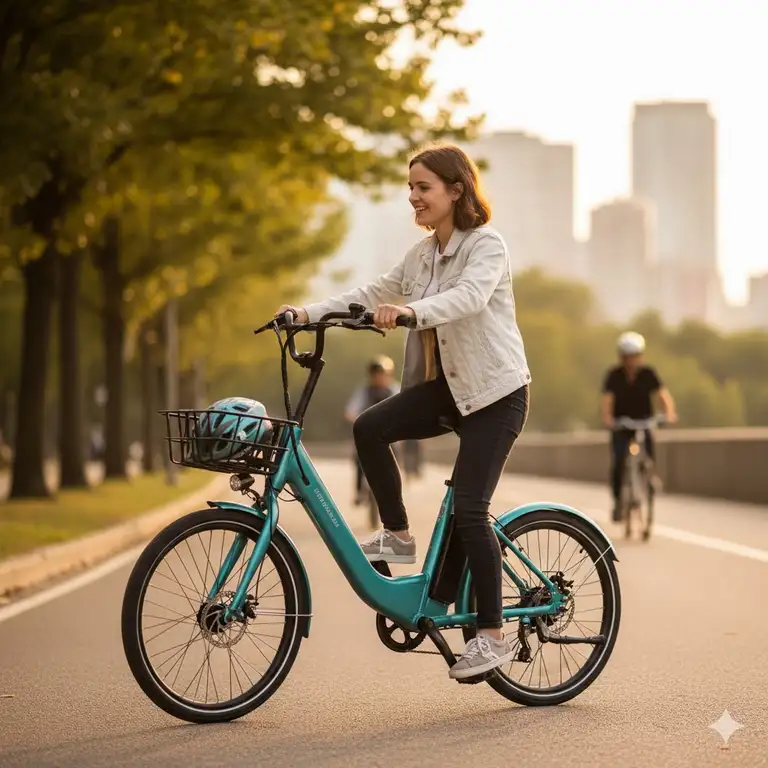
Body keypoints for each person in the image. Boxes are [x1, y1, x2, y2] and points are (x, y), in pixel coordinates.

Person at [275, 142, 531, 681]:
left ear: (456, 190)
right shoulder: (420, 257)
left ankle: (491, 635)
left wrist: (411, 311)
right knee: (371, 426)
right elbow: (370, 292)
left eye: (423, 187)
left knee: (469, 508)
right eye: (409, 188)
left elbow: (468, 298)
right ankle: (398, 533)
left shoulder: (486, 246)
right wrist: (305, 312)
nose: (412, 197)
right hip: (447, 390)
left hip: (495, 394)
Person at [601, 331, 677, 521]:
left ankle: (650, 476)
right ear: (622, 357)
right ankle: (619, 501)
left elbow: (662, 395)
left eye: (634, 356)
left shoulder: (648, 374)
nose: (631, 361)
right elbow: (608, 400)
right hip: (622, 424)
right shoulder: (614, 375)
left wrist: (668, 413)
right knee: (619, 460)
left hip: (644, 421)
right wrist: (608, 418)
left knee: (649, 448)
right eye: (627, 356)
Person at [345, 356, 399, 505]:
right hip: (367, 434)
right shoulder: (364, 391)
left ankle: (394, 493)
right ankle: (358, 491)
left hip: (390, 435)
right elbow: (351, 410)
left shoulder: (395, 390)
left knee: (395, 461)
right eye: (375, 374)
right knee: (359, 460)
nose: (378, 378)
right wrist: (355, 418)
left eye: (382, 374)